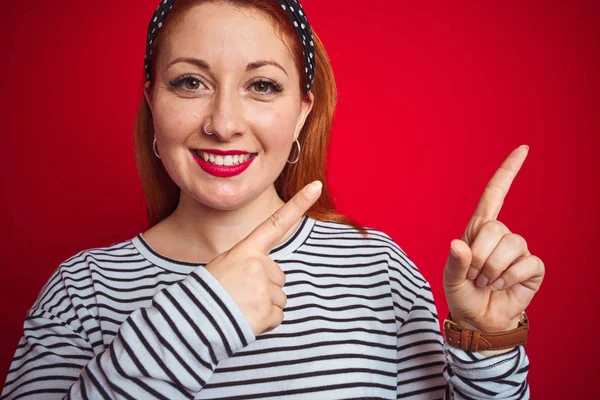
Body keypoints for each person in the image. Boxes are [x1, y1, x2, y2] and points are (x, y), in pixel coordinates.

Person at [1, 0, 545, 398]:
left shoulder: (375, 267)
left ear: (303, 112)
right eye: (190, 82)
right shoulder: (82, 291)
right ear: (153, 102)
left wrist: (486, 339)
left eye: (261, 85)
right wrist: (200, 317)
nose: (223, 123)